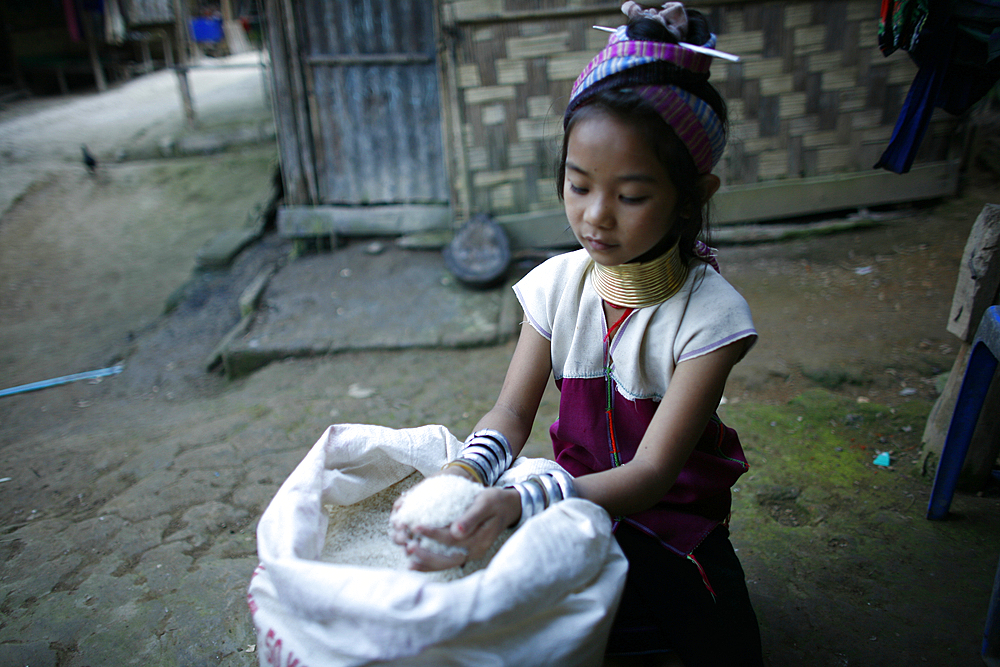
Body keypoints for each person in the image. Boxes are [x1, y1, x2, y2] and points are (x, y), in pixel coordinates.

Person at [392, 3, 764, 664]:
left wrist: (518, 499)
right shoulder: (555, 286)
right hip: (564, 501)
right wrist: (468, 471)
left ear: (691, 194)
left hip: (669, 521)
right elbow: (511, 410)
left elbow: (651, 476)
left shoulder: (713, 318)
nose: (595, 216)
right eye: (578, 184)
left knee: (719, 650)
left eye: (630, 195)